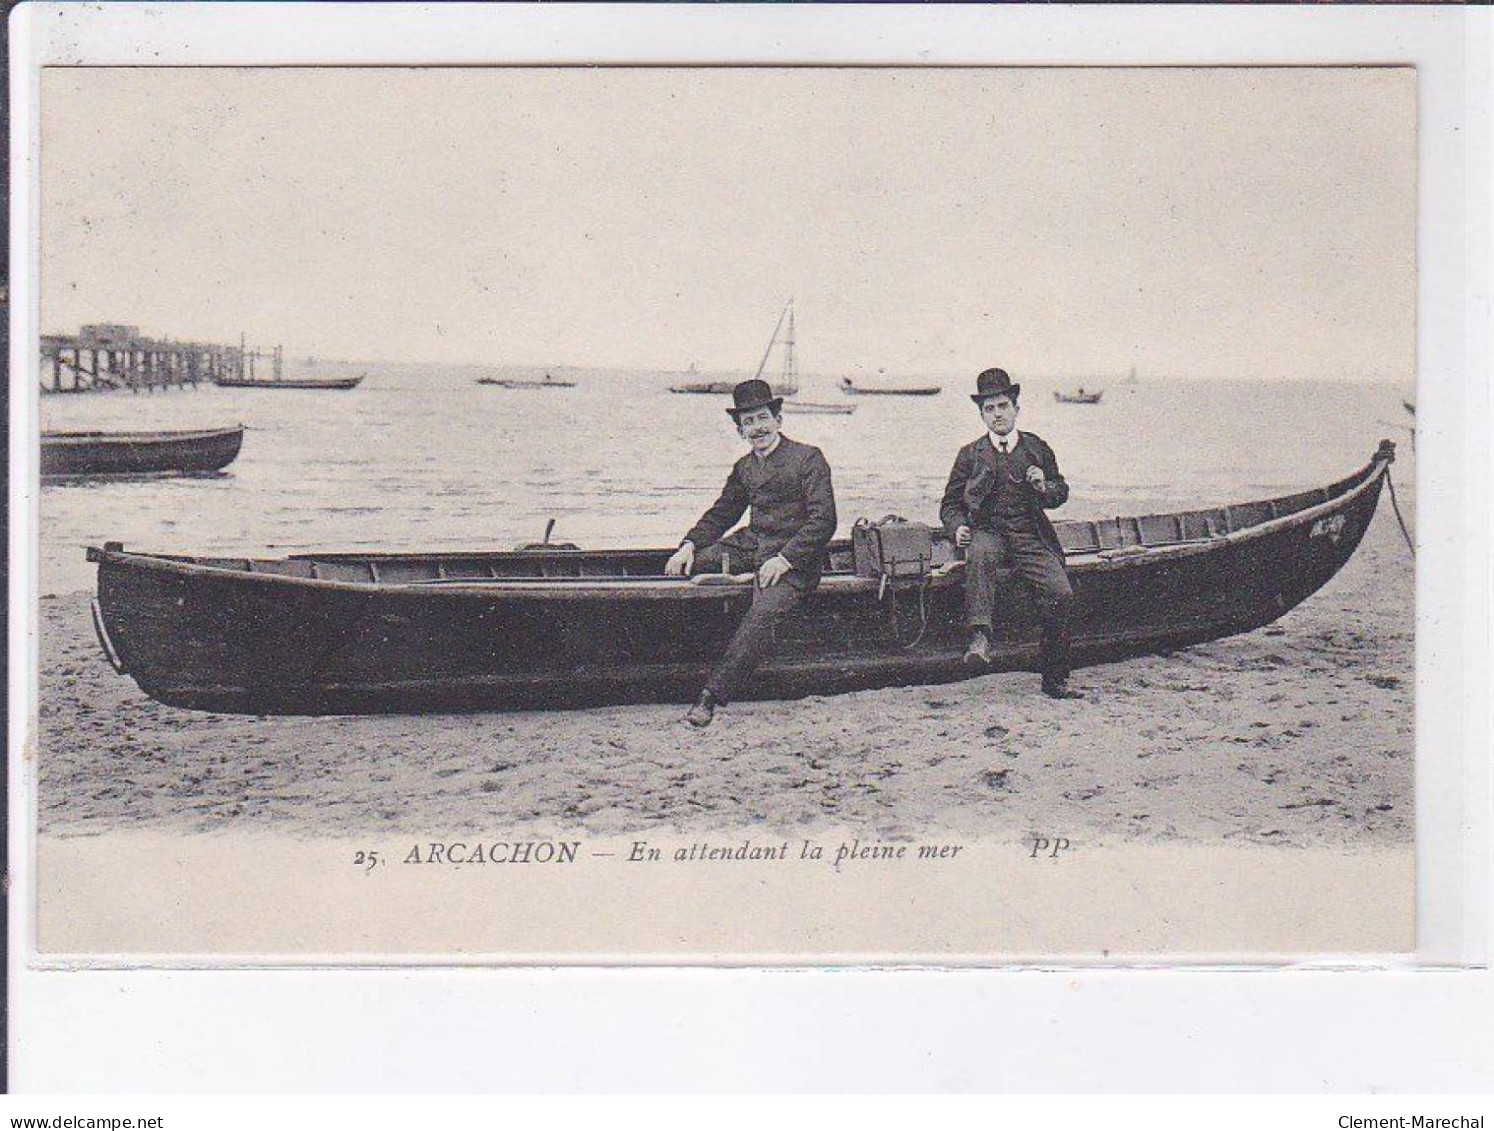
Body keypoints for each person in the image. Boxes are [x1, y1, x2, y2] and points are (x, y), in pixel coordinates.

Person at [665, 379, 838, 726]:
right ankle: (740, 576)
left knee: (761, 613)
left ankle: (709, 698)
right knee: (691, 567)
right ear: (740, 429)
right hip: (752, 546)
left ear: (777, 419)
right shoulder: (745, 467)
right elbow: (722, 513)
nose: (756, 428)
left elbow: (825, 521)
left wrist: (786, 559)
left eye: (762, 418)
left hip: (795, 558)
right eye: (748, 422)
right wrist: (688, 545)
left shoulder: (808, 458)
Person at [939, 367, 1081, 699]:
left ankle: (1054, 678)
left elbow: (1061, 492)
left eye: (1003, 406)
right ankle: (979, 638)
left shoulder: (1036, 448)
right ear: (982, 415)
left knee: (1060, 593)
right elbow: (949, 504)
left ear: (1016, 408)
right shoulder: (970, 455)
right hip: (989, 533)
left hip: (1030, 536)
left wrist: (1044, 486)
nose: (997, 414)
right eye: (989, 409)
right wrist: (957, 525)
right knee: (980, 551)